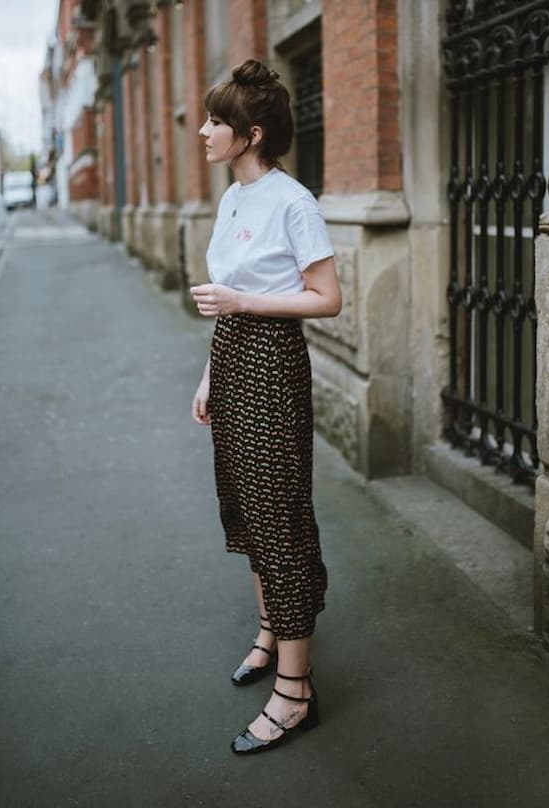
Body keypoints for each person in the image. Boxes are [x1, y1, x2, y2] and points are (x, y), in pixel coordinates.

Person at [191, 59, 342, 755]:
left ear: (250, 134)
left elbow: (327, 298)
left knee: (278, 517)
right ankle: (269, 634)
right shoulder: (230, 199)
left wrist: (245, 303)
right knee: (246, 510)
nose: (203, 130)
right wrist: (206, 376)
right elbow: (227, 296)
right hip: (232, 357)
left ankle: (295, 691)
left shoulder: (292, 201)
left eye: (216, 121)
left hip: (273, 366)